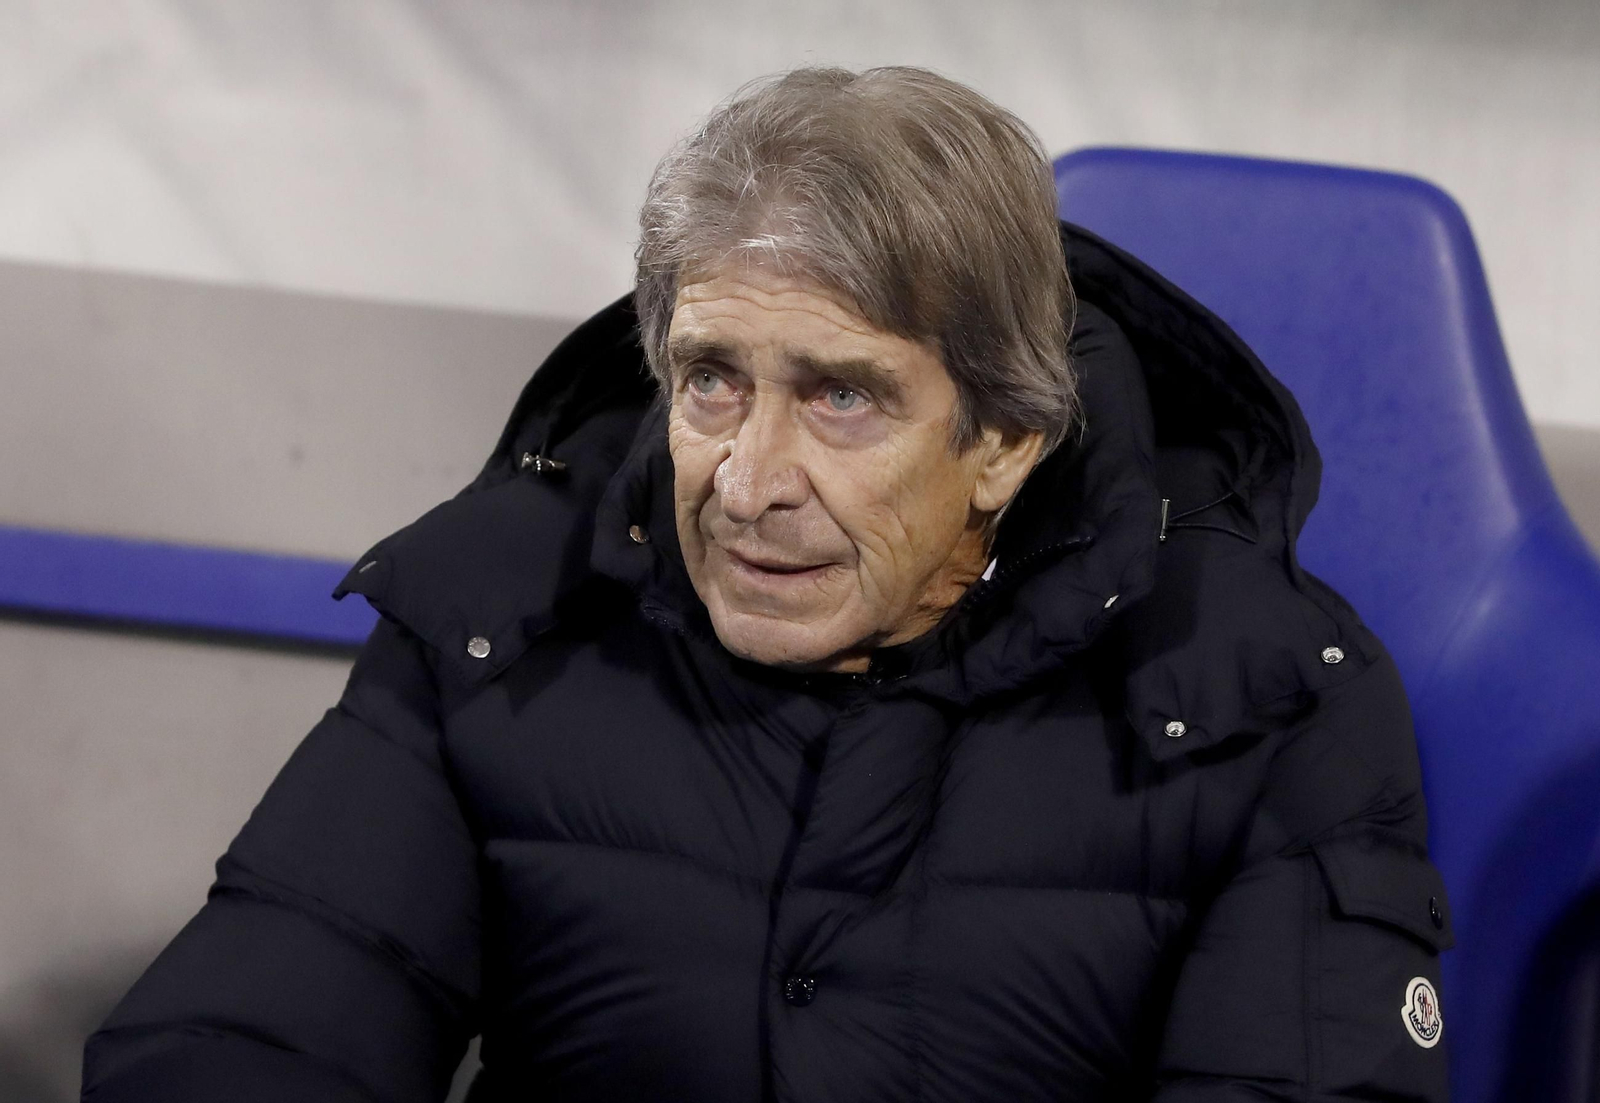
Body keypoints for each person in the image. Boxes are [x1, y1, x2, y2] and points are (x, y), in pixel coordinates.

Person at [82, 66, 1453, 1102]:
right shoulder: (497, 624)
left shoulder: (1267, 702)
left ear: (1004, 441)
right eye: (711, 381)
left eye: (842, 397)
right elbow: (244, 1038)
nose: (746, 482)